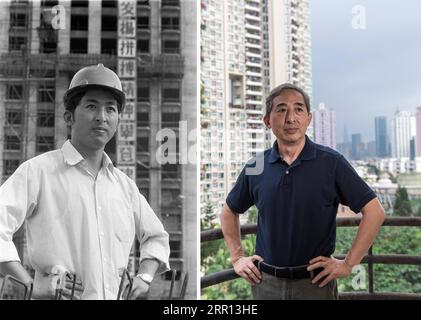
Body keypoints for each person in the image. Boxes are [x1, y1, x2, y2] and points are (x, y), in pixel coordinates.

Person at [0, 64, 170, 300]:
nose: (101, 117)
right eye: (91, 106)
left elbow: (156, 236)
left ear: (118, 120)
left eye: (110, 109)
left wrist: (145, 277)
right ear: (69, 117)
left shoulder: (124, 186)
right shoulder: (38, 172)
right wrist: (29, 287)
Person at [220, 83, 385, 300]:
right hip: (265, 284)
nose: (291, 118)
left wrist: (347, 264)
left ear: (309, 119)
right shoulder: (255, 166)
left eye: (298, 109)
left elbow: (375, 211)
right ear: (267, 121)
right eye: (281, 110)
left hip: (315, 285)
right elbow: (228, 212)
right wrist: (237, 257)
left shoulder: (332, 163)